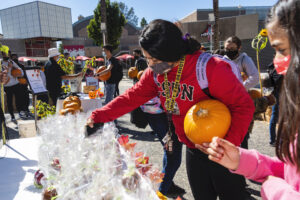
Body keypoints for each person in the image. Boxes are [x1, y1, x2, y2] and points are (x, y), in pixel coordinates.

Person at [87, 19, 254, 200]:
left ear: (173, 52)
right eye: (147, 58)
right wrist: (98, 116)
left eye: (155, 59)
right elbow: (132, 97)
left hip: (224, 145)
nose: (150, 65)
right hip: (193, 147)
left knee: (233, 196)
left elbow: (243, 106)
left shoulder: (210, 68)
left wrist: (226, 145)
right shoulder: (155, 74)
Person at [203, 1, 300, 199]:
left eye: (281, 50)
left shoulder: (245, 59)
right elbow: (290, 167)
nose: (276, 61)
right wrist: (241, 160)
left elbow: (254, 77)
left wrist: (274, 188)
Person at [2, 51, 27, 121]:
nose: (6, 55)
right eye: (4, 54)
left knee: (19, 99)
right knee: (9, 101)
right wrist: (9, 68)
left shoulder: (12, 62)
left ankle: (20, 112)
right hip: (7, 85)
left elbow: (21, 70)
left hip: (16, 84)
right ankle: (12, 115)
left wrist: (19, 74)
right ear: (2, 55)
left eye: (7, 54)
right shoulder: (1, 63)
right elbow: (3, 74)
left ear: (9, 55)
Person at [266, 62, 283, 146]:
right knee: (277, 116)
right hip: (278, 94)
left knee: (276, 116)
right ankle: (274, 140)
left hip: (277, 94)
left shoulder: (273, 67)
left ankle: (275, 140)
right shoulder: (278, 68)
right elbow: (278, 80)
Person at [11, 53, 32, 118]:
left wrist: (27, 82)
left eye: (16, 57)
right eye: (13, 58)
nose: (15, 59)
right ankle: (20, 111)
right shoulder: (11, 67)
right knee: (18, 99)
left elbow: (25, 75)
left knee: (26, 98)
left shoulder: (21, 66)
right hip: (16, 86)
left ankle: (26, 109)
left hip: (23, 85)